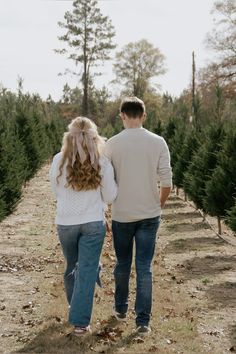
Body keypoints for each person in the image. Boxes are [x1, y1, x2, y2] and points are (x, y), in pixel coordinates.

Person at [105, 97, 172, 335]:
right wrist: (159, 205)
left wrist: (108, 205)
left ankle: (121, 309)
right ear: (144, 116)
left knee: (123, 264)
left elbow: (105, 182)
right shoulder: (158, 142)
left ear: (122, 115)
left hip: (122, 214)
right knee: (144, 267)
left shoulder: (111, 144)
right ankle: (143, 321)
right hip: (149, 214)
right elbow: (167, 181)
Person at [49, 116, 117, 336]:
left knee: (72, 266)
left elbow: (56, 191)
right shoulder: (102, 161)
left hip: (66, 222)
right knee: (86, 269)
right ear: (95, 137)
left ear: (69, 137)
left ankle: (75, 308)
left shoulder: (59, 159)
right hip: (92, 223)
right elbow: (109, 196)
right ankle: (80, 322)